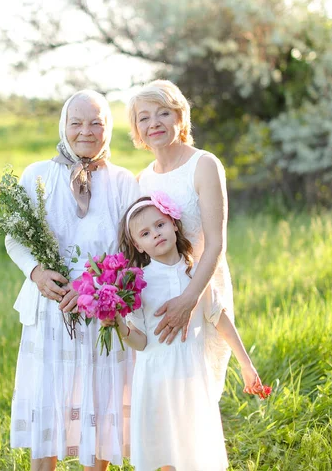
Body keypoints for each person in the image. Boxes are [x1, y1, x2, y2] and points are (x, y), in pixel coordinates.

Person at [5, 90, 139, 471]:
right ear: (63, 126)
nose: (86, 131)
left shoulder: (123, 182)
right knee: (49, 396)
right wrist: (36, 271)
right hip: (50, 307)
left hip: (101, 309)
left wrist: (95, 291)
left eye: (97, 122)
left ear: (108, 128)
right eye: (76, 122)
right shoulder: (37, 175)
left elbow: (134, 250)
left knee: (99, 397)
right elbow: (14, 237)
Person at [101, 194, 267, 471]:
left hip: (191, 374)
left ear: (174, 225)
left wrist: (246, 364)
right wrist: (118, 324)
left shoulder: (195, 275)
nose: (155, 234)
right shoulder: (137, 284)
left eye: (160, 225)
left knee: (193, 448)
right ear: (137, 245)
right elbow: (140, 342)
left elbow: (219, 318)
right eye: (145, 233)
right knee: (166, 452)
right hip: (156, 379)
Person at [128, 79, 233, 396]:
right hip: (160, 295)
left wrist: (189, 300)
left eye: (163, 113)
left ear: (180, 117)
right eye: (143, 117)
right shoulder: (142, 179)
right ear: (137, 129)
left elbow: (216, 243)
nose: (153, 123)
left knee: (200, 387)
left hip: (202, 287)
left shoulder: (203, 165)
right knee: (166, 389)